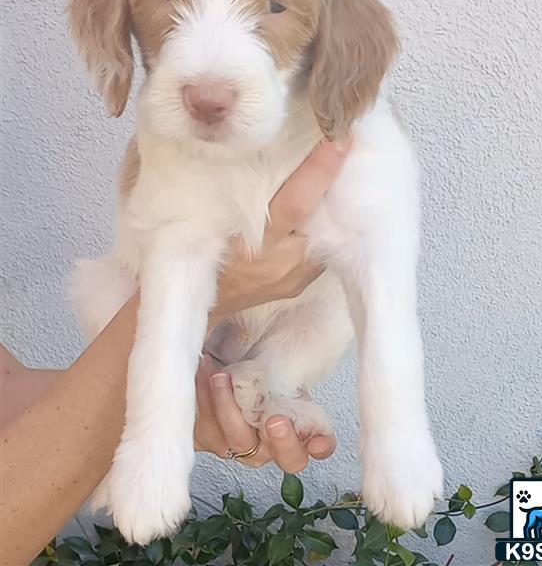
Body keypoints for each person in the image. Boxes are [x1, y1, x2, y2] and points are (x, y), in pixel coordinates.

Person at [0, 138, 351, 565]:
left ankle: (274, 378)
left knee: (341, 309)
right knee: (103, 287)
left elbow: (10, 393)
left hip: (270, 325)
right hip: (157, 280)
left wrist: (193, 409)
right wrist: (152, 420)